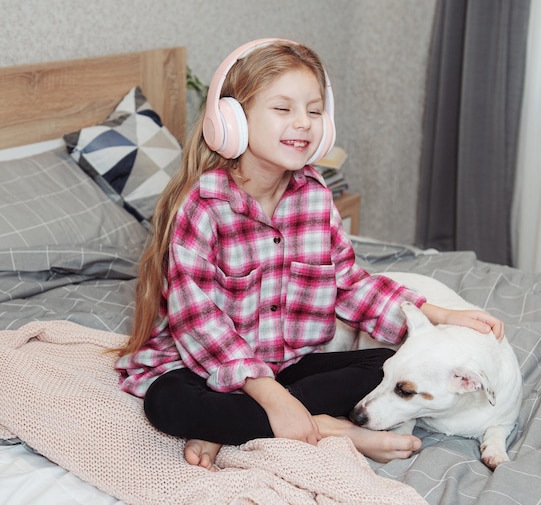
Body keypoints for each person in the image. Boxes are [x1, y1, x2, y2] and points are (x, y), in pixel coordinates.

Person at [115, 39, 504, 472]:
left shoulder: (315, 194)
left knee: (385, 366)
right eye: (283, 109)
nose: (302, 123)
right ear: (232, 120)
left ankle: (233, 426)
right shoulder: (203, 206)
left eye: (313, 111)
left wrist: (440, 315)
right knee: (166, 403)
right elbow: (198, 323)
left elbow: (349, 285)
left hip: (287, 364)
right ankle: (329, 428)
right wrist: (272, 396)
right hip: (205, 366)